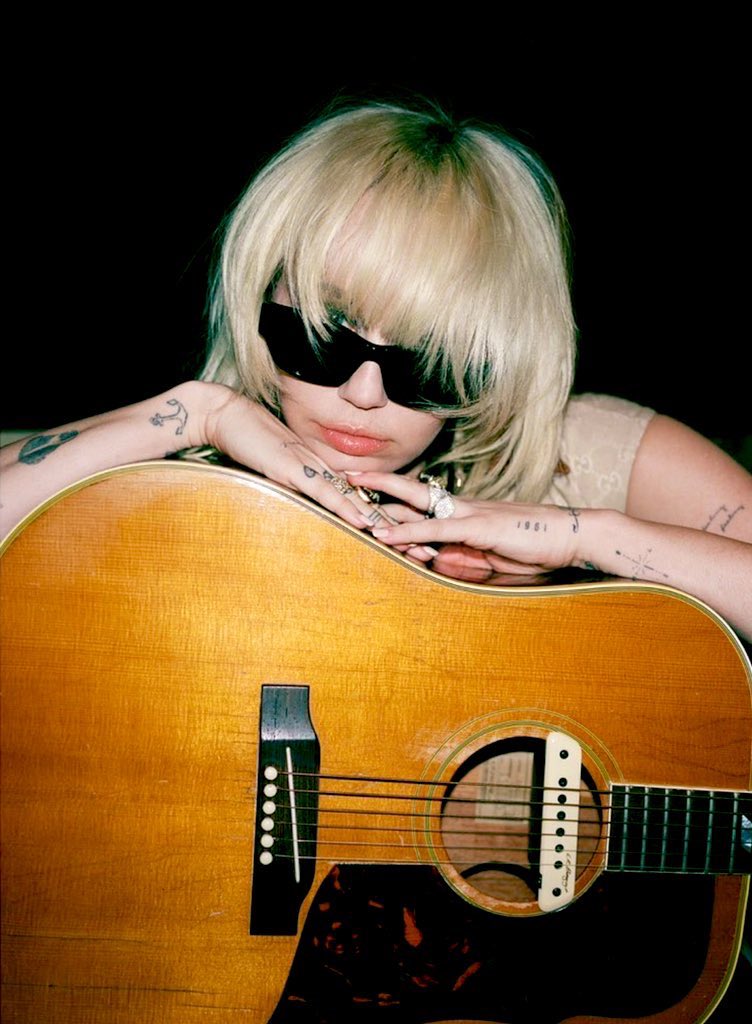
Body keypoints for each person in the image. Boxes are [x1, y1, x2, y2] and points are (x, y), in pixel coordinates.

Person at [1, 99, 750, 642]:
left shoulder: (586, 452)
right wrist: (198, 412)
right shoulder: (170, 467)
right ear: (260, 299)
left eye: (432, 362)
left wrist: (583, 539)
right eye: (322, 335)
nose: (363, 394)